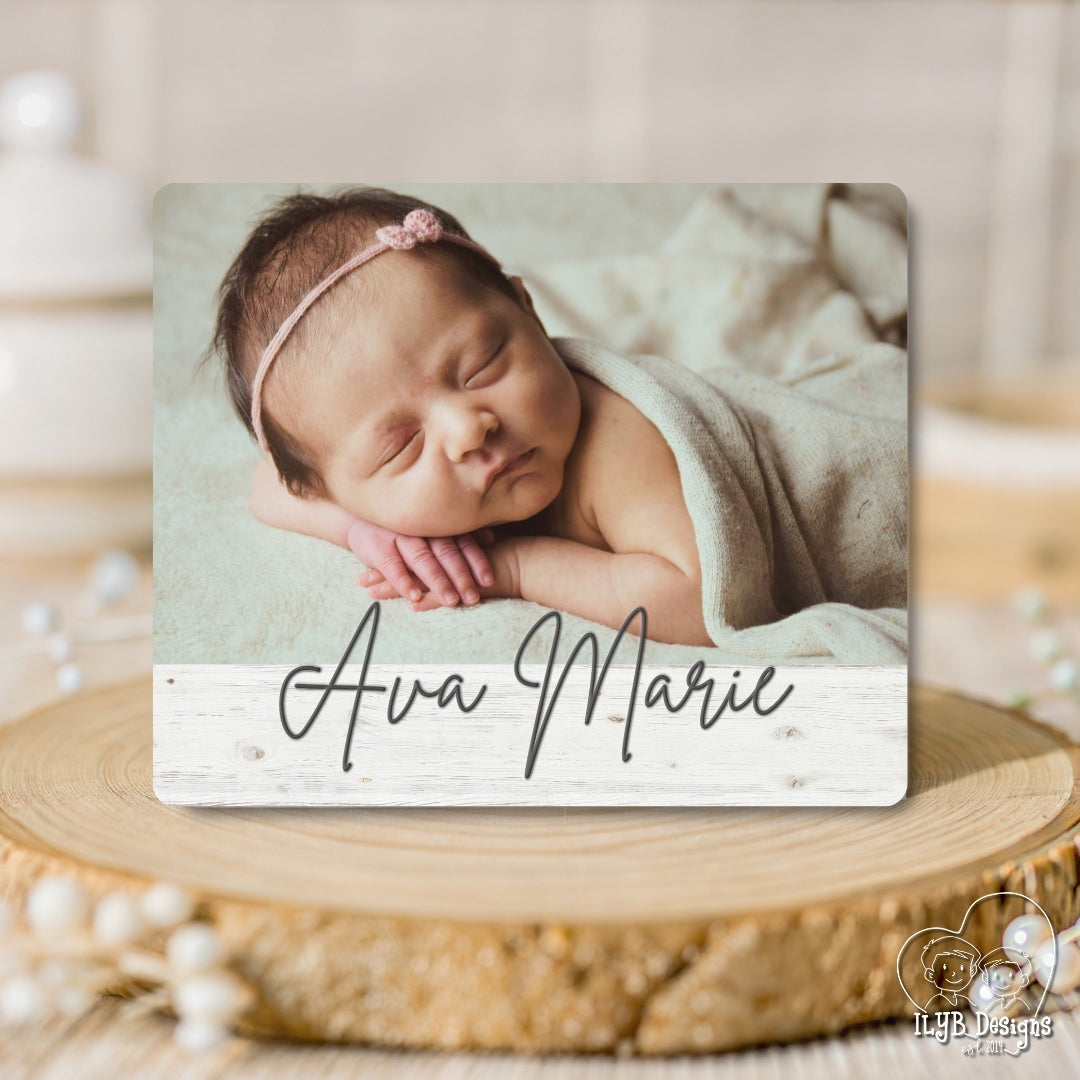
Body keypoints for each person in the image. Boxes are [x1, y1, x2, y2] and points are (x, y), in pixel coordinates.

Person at [213, 188, 710, 646]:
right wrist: (360, 530)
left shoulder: (617, 438)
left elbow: (698, 601)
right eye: (403, 445)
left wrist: (513, 568)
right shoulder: (335, 481)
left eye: (481, 368)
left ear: (528, 312)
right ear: (326, 487)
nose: (469, 429)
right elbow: (270, 484)